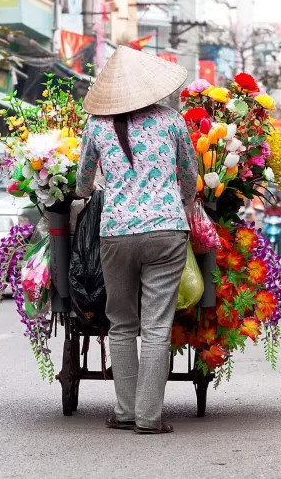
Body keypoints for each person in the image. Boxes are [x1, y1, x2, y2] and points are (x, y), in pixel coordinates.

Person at [75, 46, 196, 435]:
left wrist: (90, 190)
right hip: (167, 230)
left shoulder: (96, 126)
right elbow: (189, 174)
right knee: (157, 326)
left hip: (115, 233)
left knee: (122, 323)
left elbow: (82, 182)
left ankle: (126, 411)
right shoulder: (172, 121)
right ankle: (149, 417)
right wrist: (187, 202)